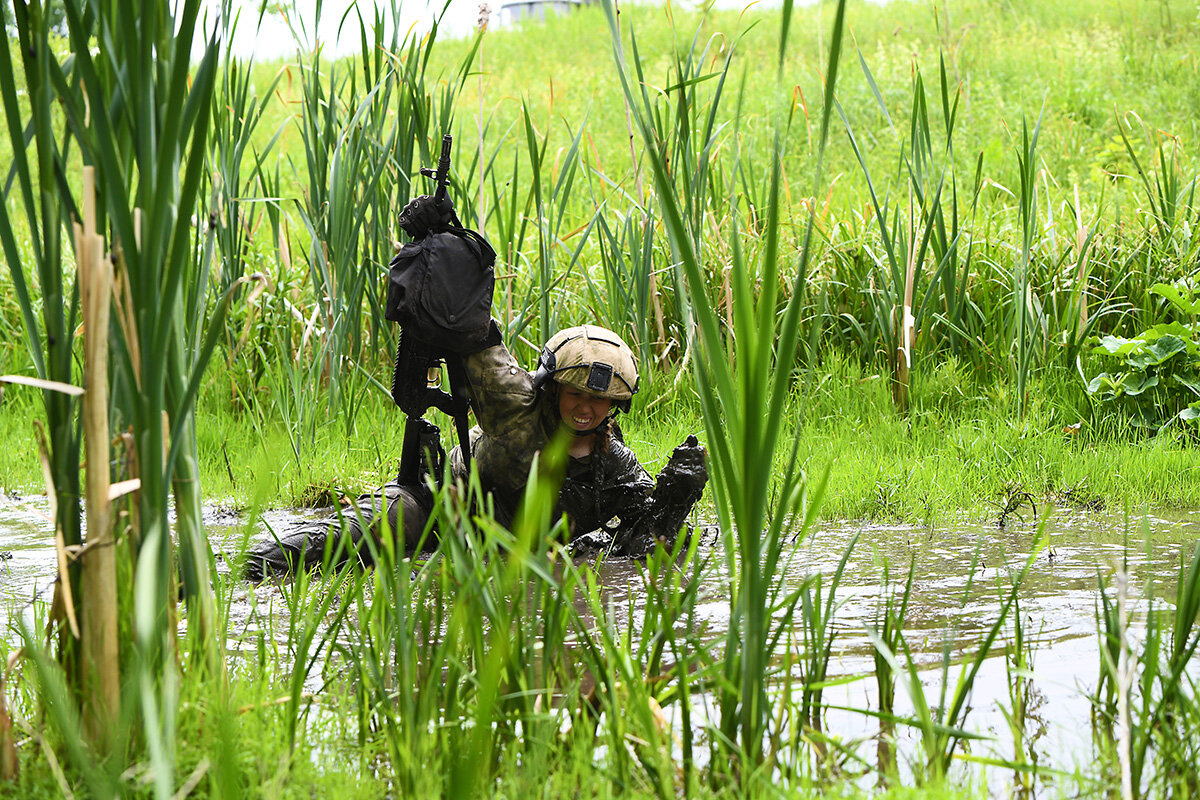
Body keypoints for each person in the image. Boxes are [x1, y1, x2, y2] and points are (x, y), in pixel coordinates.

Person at [243, 199, 706, 581]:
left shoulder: (615, 466)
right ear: (552, 389)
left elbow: (648, 540)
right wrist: (443, 243)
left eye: (599, 401)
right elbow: (475, 334)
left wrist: (678, 496)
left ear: (614, 407)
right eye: (576, 394)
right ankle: (221, 572)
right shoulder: (515, 408)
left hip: (497, 557)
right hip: (436, 511)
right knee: (329, 545)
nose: (586, 408)